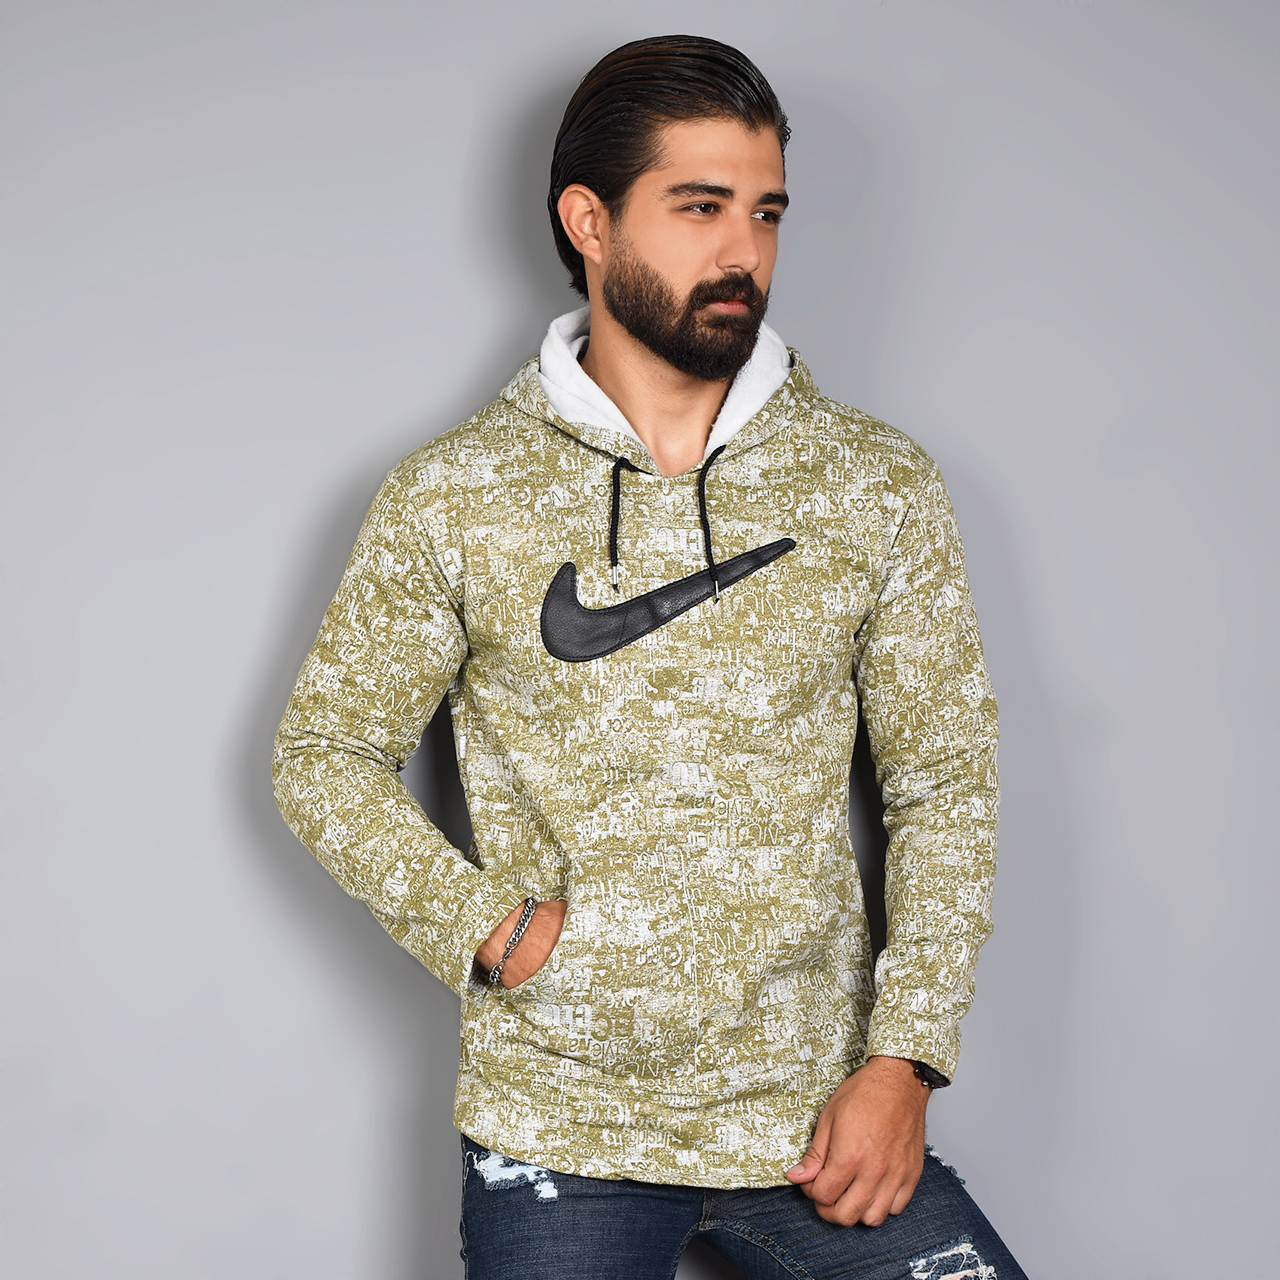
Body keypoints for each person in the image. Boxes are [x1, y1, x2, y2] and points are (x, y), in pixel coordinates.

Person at [273, 34, 1026, 1280]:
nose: (743, 251)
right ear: (589, 220)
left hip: (817, 1118)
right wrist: (488, 926)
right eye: (698, 207)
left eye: (765, 212)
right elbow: (323, 753)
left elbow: (943, 782)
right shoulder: (454, 495)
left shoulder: (874, 483)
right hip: (555, 1124)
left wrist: (905, 1061)